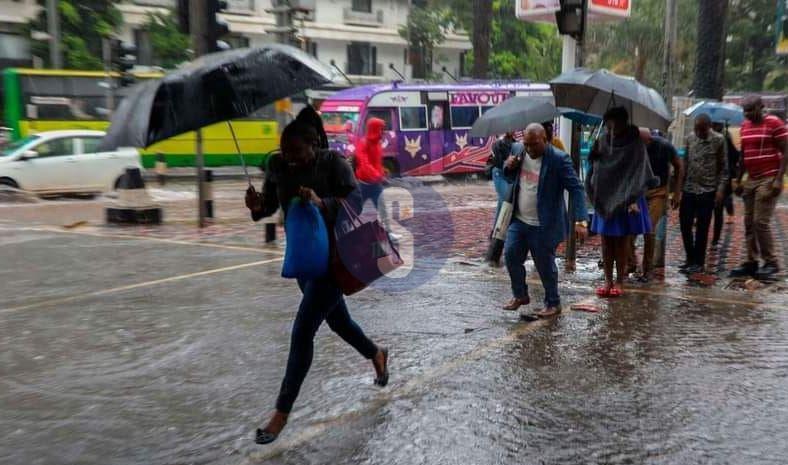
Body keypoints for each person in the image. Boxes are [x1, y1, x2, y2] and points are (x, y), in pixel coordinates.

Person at [244, 115, 389, 445]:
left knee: (302, 330)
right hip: (304, 257)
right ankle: (377, 353)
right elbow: (267, 207)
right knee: (338, 322)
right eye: (284, 150)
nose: (289, 157)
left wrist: (321, 202)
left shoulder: (333, 164)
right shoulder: (278, 167)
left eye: (296, 151)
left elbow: (358, 204)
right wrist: (256, 206)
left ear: (315, 145)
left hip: (336, 260)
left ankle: (280, 414)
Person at [501, 123, 588, 318]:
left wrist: (581, 220)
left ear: (545, 140)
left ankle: (553, 302)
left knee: (544, 265)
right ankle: (520, 295)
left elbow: (576, 189)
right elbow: (508, 176)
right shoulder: (518, 151)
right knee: (511, 254)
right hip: (520, 219)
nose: (530, 149)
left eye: (534, 144)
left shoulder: (558, 159)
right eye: (527, 144)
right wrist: (508, 166)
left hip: (544, 224)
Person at [587, 107, 656, 297]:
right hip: (605, 196)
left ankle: (620, 279)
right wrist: (594, 155)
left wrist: (632, 197)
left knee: (621, 241)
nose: (611, 128)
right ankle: (608, 279)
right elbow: (596, 168)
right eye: (608, 125)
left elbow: (639, 171)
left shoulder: (635, 143)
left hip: (627, 199)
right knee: (606, 241)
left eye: (614, 124)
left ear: (623, 123)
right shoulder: (602, 141)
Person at [729, 96, 788, 278]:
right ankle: (751, 261)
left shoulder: (774, 123)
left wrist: (779, 179)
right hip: (751, 179)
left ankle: (771, 262)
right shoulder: (745, 126)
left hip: (768, 178)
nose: (747, 114)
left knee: (760, 222)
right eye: (745, 110)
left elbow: (786, 150)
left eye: (750, 110)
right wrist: (738, 180)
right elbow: (743, 155)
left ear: (761, 107)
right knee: (748, 223)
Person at [628, 128, 684, 280]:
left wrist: (677, 192)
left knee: (649, 229)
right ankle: (631, 262)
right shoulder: (633, 148)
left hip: (658, 192)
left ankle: (648, 269)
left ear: (649, 140)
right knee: (629, 229)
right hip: (638, 192)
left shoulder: (664, 147)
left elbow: (679, 166)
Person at [679, 114, 728, 274]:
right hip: (689, 189)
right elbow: (684, 163)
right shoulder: (690, 138)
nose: (698, 132)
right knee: (685, 225)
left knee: (702, 227)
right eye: (696, 129)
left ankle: (699, 262)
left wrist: (720, 190)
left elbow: (724, 168)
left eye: (702, 129)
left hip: (707, 190)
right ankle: (690, 258)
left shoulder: (719, 140)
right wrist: (678, 189)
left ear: (709, 127)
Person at [354, 117, 391, 231]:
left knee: (382, 209)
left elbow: (375, 162)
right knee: (355, 209)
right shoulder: (363, 143)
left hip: (375, 185)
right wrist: (378, 176)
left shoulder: (377, 143)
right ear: (375, 129)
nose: (383, 132)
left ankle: (388, 232)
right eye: (381, 129)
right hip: (363, 184)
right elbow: (365, 164)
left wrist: (382, 170)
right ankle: (343, 229)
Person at [710, 121, 740, 247]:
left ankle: (715, 239)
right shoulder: (711, 137)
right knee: (712, 209)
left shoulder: (726, 137)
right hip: (709, 178)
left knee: (719, 208)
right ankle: (713, 239)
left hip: (723, 179)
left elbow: (734, 156)